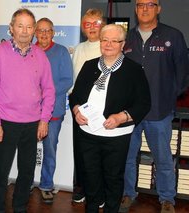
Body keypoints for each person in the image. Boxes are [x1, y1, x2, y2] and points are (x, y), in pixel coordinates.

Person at [69, 24, 151, 213]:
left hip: (117, 135)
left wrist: (121, 117)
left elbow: (143, 104)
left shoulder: (134, 70)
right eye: (105, 40)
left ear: (123, 44)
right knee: (90, 178)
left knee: (113, 179)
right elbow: (75, 96)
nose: (109, 44)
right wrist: (76, 110)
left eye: (115, 41)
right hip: (87, 133)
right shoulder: (90, 66)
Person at [0, 8, 55, 213]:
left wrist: (44, 120)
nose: (24, 30)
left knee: (27, 171)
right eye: (20, 25)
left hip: (32, 124)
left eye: (29, 26)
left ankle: (20, 206)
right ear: (11, 28)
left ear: (33, 30)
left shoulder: (40, 55)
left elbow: (49, 90)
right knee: (1, 171)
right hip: (5, 123)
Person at [120, 1, 189, 213]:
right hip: (130, 113)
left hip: (159, 111)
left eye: (151, 4)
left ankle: (167, 198)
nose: (145, 8)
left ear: (158, 9)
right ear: (136, 9)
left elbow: (183, 74)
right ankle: (127, 194)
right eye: (141, 4)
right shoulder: (127, 37)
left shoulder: (173, 36)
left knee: (163, 158)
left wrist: (168, 96)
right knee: (127, 157)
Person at [34, 17, 73, 203]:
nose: (43, 34)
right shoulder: (27, 51)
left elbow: (67, 80)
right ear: (35, 32)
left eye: (47, 30)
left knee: (49, 150)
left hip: (53, 112)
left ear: (53, 32)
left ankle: (46, 184)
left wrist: (45, 92)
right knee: (26, 150)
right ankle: (25, 182)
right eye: (40, 30)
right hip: (27, 112)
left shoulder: (62, 52)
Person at [71, 8, 105, 204]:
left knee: (99, 154)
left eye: (96, 23)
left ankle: (98, 193)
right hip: (79, 109)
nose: (92, 28)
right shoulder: (79, 48)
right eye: (88, 24)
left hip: (101, 110)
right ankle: (83, 187)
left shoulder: (107, 47)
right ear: (83, 28)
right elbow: (74, 81)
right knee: (82, 152)